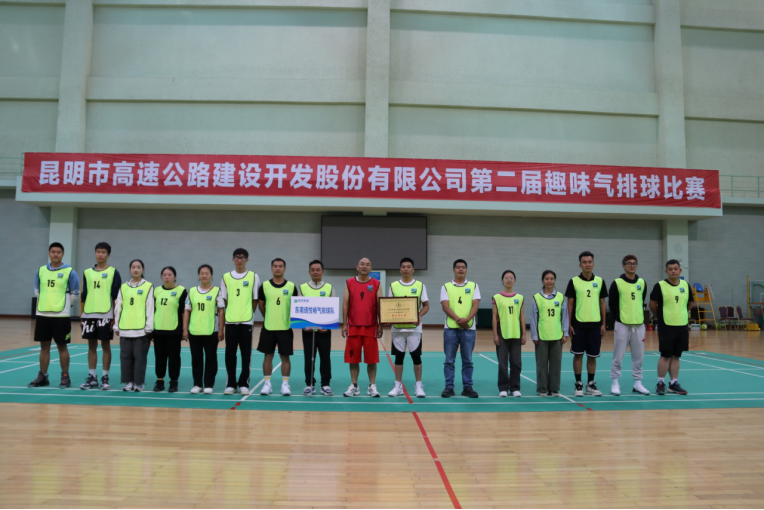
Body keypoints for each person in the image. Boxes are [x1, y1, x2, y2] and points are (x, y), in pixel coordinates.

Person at [28, 243, 80, 389]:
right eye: (53, 252)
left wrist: (65, 307)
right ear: (49, 253)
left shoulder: (70, 272)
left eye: (58, 252)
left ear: (62, 254)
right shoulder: (40, 271)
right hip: (43, 314)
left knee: (62, 346)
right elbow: (37, 291)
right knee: (44, 347)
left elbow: (75, 293)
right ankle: (43, 376)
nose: (55, 254)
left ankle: (65, 376)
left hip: (61, 316)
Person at [649, 259, 695, 396]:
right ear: (666, 271)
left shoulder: (685, 285)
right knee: (665, 356)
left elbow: (690, 303)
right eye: (670, 269)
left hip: (682, 326)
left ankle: (673, 384)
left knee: (676, 356)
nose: (673, 271)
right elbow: (652, 305)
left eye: (675, 269)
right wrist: (661, 317)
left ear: (680, 270)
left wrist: (682, 315)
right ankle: (660, 383)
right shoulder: (660, 286)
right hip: (666, 326)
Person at [79, 242, 120, 391]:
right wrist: (81, 316)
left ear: (108, 254)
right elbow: (84, 295)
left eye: (103, 252)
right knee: (91, 346)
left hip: (106, 314)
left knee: (106, 346)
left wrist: (115, 317)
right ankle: (92, 377)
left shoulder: (113, 272)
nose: (100, 254)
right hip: (89, 314)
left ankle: (105, 378)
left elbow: (116, 297)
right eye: (98, 252)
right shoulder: (87, 272)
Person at [565, 251, 607, 397]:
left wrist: (603, 324)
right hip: (578, 324)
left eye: (589, 262)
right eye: (584, 262)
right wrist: (569, 324)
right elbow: (570, 304)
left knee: (592, 356)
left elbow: (602, 303)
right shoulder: (574, 281)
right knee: (578, 355)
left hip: (595, 325)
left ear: (593, 264)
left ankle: (590, 384)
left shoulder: (600, 281)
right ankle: (578, 384)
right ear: (580, 265)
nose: (587, 264)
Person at [387, 257, 429, 398]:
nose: (406, 269)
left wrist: (418, 315)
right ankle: (397, 385)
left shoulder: (420, 285)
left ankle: (418, 386)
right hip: (398, 328)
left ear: (413, 269)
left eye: (408, 267)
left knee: (416, 357)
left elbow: (426, 305)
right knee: (399, 358)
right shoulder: (393, 286)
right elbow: (389, 306)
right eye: (403, 267)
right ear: (400, 269)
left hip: (414, 329)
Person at [609, 255, 650, 396]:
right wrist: (619, 319)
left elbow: (641, 301)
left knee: (639, 356)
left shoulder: (642, 282)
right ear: (623, 266)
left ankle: (638, 383)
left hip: (638, 325)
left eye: (634, 263)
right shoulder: (617, 283)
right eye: (629, 263)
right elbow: (612, 304)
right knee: (618, 356)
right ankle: (615, 382)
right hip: (622, 324)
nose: (632, 266)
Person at [220, 248, 259, 396]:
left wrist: (248, 314)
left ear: (247, 260)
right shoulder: (225, 277)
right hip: (230, 321)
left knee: (245, 354)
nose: (239, 260)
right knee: (230, 354)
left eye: (242, 257)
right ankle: (231, 384)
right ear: (233, 259)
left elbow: (255, 299)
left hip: (246, 322)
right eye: (237, 257)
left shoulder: (254, 276)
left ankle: (243, 383)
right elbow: (224, 300)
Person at [342, 258, 382, 398]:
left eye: (368, 264)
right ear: (357, 267)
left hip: (371, 327)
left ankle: (372, 386)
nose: (364, 266)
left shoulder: (376, 283)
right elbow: (345, 304)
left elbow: (380, 305)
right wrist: (345, 324)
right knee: (353, 359)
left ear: (371, 268)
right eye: (362, 264)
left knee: (371, 359)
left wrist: (380, 324)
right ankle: (354, 386)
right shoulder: (349, 282)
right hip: (353, 327)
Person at [257, 258, 298, 396]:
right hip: (268, 328)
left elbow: (295, 306)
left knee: (285, 357)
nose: (278, 268)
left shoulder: (291, 286)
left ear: (284, 269)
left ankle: (285, 385)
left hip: (285, 328)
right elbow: (261, 305)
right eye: (275, 266)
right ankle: (267, 384)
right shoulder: (264, 285)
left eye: (280, 266)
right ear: (271, 268)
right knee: (268, 356)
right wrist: (269, 317)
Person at [440, 259, 481, 398]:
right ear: (454, 270)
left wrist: (467, 320)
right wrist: (459, 320)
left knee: (468, 360)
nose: (461, 269)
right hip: (450, 329)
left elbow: (476, 305)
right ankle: (449, 387)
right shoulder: (446, 286)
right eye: (458, 267)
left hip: (469, 329)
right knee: (449, 360)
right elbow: (445, 306)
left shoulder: (474, 286)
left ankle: (467, 387)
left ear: (466, 270)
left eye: (463, 267)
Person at [183, 264, 225, 394]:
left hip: (211, 331)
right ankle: (197, 384)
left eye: (207, 273)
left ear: (211, 275)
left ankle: (209, 384)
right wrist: (185, 329)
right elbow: (187, 311)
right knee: (196, 359)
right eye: (202, 273)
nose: (204, 276)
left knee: (211, 359)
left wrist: (221, 329)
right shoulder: (192, 291)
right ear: (199, 275)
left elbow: (221, 311)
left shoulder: (217, 291)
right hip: (194, 330)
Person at [113, 260, 154, 392]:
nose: (136, 269)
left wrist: (149, 327)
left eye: (138, 267)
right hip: (125, 328)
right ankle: (129, 382)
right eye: (133, 267)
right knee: (125, 358)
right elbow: (118, 308)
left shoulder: (148, 286)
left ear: (143, 269)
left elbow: (150, 307)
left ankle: (139, 383)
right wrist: (117, 326)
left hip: (141, 330)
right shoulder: (123, 287)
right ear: (130, 269)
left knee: (140, 358)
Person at [530, 270, 569, 397]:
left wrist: (565, 333)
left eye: (551, 279)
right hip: (542, 336)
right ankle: (542, 389)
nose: (549, 281)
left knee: (556, 364)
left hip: (557, 336)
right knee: (541, 364)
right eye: (547, 279)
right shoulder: (537, 298)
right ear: (543, 280)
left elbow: (565, 316)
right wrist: (534, 335)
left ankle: (554, 389)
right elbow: (534, 318)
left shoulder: (561, 297)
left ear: (555, 280)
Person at [300, 260, 334, 396]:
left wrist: (327, 326)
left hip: (324, 330)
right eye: (313, 270)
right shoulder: (302, 287)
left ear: (322, 272)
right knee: (309, 357)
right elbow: (299, 308)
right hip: (308, 331)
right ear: (309, 272)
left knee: (325, 357)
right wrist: (303, 326)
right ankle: (309, 384)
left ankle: (325, 384)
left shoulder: (329, 287)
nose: (315, 272)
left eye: (318, 270)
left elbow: (333, 308)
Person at [152, 266, 187, 393]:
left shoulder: (181, 290)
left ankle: (173, 382)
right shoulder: (156, 291)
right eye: (164, 275)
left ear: (175, 276)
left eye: (170, 275)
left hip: (174, 330)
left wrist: (184, 330)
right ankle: (160, 381)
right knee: (159, 357)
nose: (167, 277)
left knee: (174, 357)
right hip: (158, 330)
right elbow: (151, 310)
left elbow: (184, 312)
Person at [492, 270, 525, 398]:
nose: (509, 280)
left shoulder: (519, 297)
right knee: (503, 363)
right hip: (502, 333)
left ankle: (515, 388)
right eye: (506, 278)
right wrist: (495, 334)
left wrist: (524, 334)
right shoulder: (497, 297)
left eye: (511, 278)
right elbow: (494, 317)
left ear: (514, 280)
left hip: (516, 333)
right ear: (502, 280)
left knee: (516, 362)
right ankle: (503, 388)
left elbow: (522, 317)